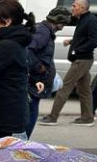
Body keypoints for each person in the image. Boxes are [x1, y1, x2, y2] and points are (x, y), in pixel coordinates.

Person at [39, 0, 97, 126]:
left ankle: (52, 117)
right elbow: (83, 37)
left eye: (74, 6)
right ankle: (87, 118)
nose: (72, 8)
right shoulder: (83, 19)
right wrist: (71, 41)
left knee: (64, 87)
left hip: (82, 60)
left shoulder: (91, 20)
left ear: (82, 8)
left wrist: (77, 50)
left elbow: (94, 41)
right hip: (82, 59)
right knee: (84, 90)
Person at [0, 0, 35, 141]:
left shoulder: (5, 46)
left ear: (7, 21)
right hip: (8, 113)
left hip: (2, 115)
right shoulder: (15, 41)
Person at [26, 7, 70, 137]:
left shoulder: (44, 30)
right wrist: (39, 67)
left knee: (31, 110)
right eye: (63, 23)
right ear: (58, 21)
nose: (63, 27)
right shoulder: (43, 32)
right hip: (34, 80)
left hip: (35, 79)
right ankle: (22, 142)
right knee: (31, 111)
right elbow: (28, 51)